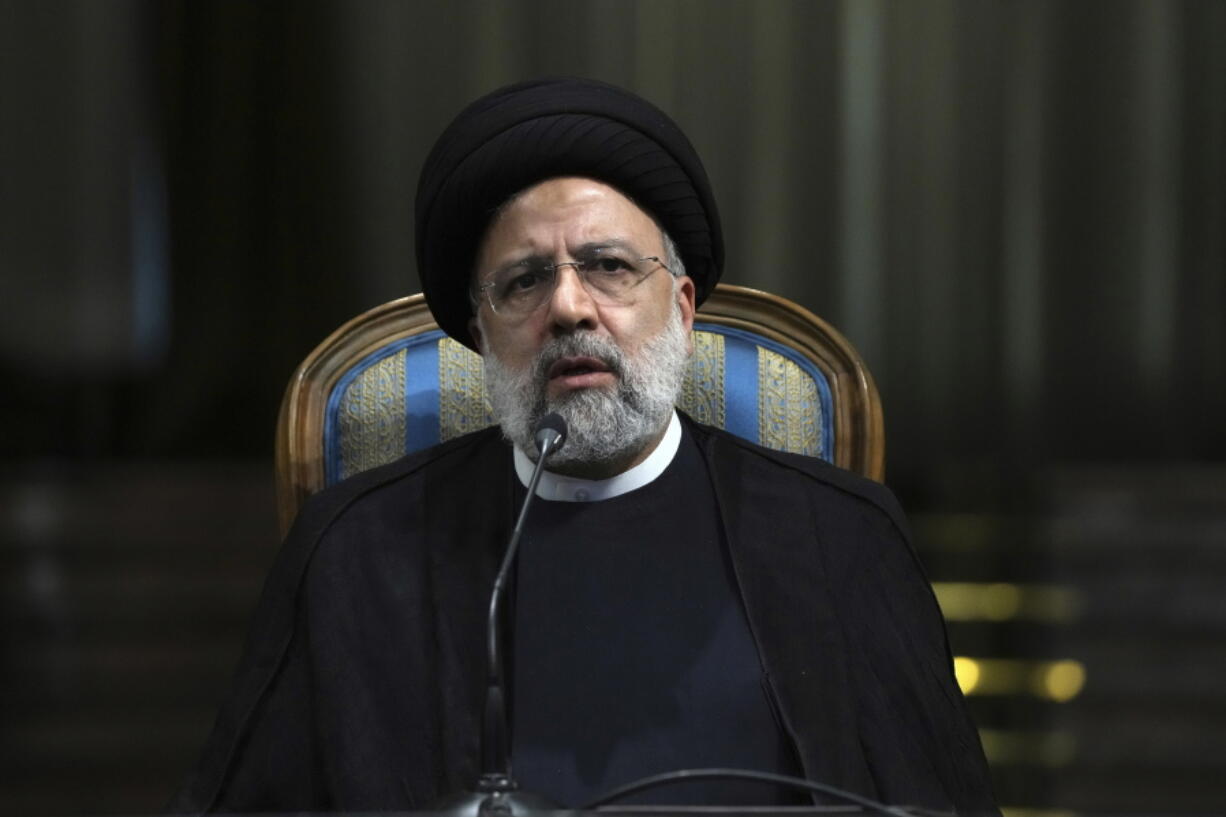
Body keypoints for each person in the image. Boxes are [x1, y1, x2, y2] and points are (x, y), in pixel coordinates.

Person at [170, 78, 996, 814]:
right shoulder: (353, 552)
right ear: (481, 332)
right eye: (523, 281)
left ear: (679, 306)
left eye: (606, 266)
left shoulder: (841, 535)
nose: (568, 308)